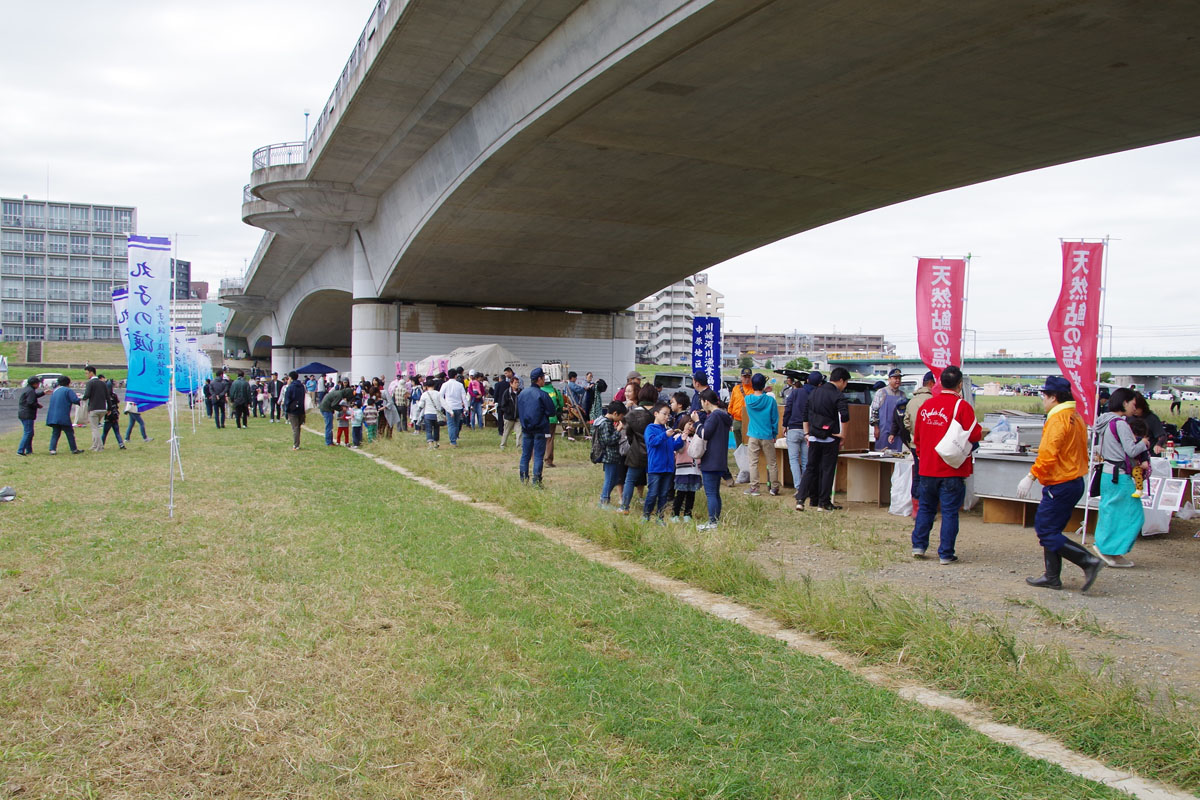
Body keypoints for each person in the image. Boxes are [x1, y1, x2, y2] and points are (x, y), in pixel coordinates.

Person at [1015, 376, 1103, 591]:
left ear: (1053, 397)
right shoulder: (1076, 417)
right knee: (1052, 530)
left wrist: (1031, 476)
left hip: (1060, 482)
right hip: (1073, 480)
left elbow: (1048, 453)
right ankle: (1052, 576)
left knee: (1046, 530)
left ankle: (1088, 561)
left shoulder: (1057, 419)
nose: (1043, 400)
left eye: (1044, 396)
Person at [910, 365, 982, 564]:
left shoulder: (927, 406)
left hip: (927, 467)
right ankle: (946, 553)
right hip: (952, 468)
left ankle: (919, 545)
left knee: (925, 508)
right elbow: (975, 434)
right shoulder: (962, 407)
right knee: (949, 512)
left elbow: (917, 437)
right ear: (960, 385)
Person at [1091, 388, 1150, 568]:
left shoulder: (1104, 422)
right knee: (1134, 515)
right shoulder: (1121, 424)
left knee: (1110, 512)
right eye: (1133, 404)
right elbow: (1131, 450)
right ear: (1125, 403)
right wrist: (1144, 443)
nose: (1135, 408)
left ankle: (1110, 550)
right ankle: (1109, 549)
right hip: (1120, 475)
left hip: (1107, 474)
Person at [796, 367, 852, 512]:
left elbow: (805, 415)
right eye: (845, 383)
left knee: (810, 468)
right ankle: (823, 503)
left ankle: (801, 499)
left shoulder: (814, 392)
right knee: (827, 470)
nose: (844, 386)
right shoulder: (838, 395)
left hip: (813, 436)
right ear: (840, 380)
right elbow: (845, 416)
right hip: (830, 438)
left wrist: (807, 433)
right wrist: (843, 435)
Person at [692, 389, 732, 531]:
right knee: (715, 492)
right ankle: (715, 521)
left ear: (706, 402)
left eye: (702, 402)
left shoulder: (714, 416)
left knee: (711, 494)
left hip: (711, 460)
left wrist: (697, 422)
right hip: (720, 460)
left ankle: (712, 522)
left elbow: (705, 434)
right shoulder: (724, 416)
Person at [643, 401, 688, 524]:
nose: (667, 417)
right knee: (652, 493)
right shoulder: (650, 428)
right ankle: (646, 516)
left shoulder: (667, 430)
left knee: (664, 495)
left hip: (668, 468)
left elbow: (672, 446)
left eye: (669, 415)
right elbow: (652, 442)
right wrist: (665, 435)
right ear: (656, 414)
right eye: (664, 414)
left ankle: (660, 517)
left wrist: (681, 440)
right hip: (655, 468)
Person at [903, 371, 937, 515]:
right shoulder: (933, 400)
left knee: (917, 475)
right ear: (931, 383)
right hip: (930, 446)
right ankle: (926, 508)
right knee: (929, 477)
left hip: (915, 444)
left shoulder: (911, 401)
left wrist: (914, 433)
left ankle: (915, 509)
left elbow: (906, 422)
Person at [619, 385, 657, 512]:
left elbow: (628, 433)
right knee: (654, 481)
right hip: (655, 451)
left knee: (629, 479)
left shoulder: (632, 414)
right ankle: (651, 508)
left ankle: (624, 507)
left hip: (636, 451)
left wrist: (635, 443)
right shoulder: (659, 412)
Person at [742, 373, 780, 496]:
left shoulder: (748, 399)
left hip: (753, 434)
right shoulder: (770, 400)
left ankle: (754, 488)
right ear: (764, 385)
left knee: (753, 462)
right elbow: (774, 419)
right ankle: (774, 488)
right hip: (768, 434)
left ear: (752, 385)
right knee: (772, 463)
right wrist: (774, 434)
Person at [517, 367, 557, 485]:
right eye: (543, 378)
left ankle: (523, 480)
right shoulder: (542, 394)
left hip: (526, 429)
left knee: (525, 455)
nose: (544, 380)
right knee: (538, 456)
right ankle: (536, 480)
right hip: (540, 429)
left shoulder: (522, 393)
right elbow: (552, 412)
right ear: (539, 379)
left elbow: (518, 410)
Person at [783, 371, 820, 491]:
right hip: (809, 430)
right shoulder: (817, 394)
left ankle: (798, 487)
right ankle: (806, 487)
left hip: (793, 428)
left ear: (807, 381)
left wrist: (785, 424)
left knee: (793, 460)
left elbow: (788, 408)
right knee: (806, 461)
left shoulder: (796, 392)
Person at [670, 394, 701, 522]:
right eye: (689, 424)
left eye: (693, 424)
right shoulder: (678, 437)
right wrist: (683, 436)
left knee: (691, 494)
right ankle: (675, 514)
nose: (691, 426)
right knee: (681, 493)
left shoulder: (696, 438)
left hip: (694, 470)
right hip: (682, 470)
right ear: (683, 424)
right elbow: (678, 449)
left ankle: (688, 514)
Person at [594, 401, 627, 508]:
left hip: (612, 456)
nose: (621, 419)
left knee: (614, 478)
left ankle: (605, 498)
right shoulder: (605, 423)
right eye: (621, 416)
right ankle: (604, 501)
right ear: (615, 413)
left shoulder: (606, 422)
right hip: (609, 456)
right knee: (610, 479)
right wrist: (618, 430)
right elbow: (607, 440)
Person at [871, 368, 907, 452]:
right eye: (895, 378)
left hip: (898, 433)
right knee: (882, 455)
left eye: (899, 378)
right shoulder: (881, 392)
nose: (898, 380)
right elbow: (874, 412)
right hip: (883, 431)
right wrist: (876, 428)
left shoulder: (903, 395)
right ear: (889, 379)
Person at [45, 376, 83, 454]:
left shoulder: (55, 391)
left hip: (53, 416)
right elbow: (75, 400)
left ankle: (52, 449)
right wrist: (80, 398)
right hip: (63, 416)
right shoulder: (68, 390)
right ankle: (74, 449)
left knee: (55, 432)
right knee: (69, 432)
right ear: (68, 383)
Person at [81, 366, 108, 452]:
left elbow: (87, 395)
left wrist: (81, 397)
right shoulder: (103, 383)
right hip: (103, 408)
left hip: (94, 408)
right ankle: (94, 445)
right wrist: (110, 408)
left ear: (91, 372)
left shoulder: (90, 383)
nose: (86, 375)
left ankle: (99, 446)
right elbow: (108, 396)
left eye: (86, 373)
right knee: (95, 427)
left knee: (94, 428)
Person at [17, 376, 45, 456]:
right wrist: (38, 405)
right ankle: (20, 450)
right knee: (28, 432)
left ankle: (29, 450)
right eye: (38, 383)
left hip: (23, 413)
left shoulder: (27, 389)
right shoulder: (30, 391)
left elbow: (33, 396)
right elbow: (30, 402)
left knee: (30, 432)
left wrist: (43, 393)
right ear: (35, 384)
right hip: (27, 414)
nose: (39, 385)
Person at [413, 378, 444, 449]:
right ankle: (436, 443)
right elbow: (443, 403)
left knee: (428, 430)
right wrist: (450, 411)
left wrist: (418, 410)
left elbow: (421, 406)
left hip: (428, 414)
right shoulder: (438, 393)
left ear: (426, 386)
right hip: (436, 415)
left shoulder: (424, 394)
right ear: (434, 385)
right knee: (436, 429)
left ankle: (430, 444)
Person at [727, 367, 753, 450]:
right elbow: (732, 402)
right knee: (738, 444)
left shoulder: (754, 389)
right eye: (745, 376)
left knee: (747, 443)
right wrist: (730, 414)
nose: (746, 379)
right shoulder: (736, 389)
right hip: (736, 420)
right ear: (741, 377)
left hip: (748, 420)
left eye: (748, 377)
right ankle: (740, 459)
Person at [439, 370, 468, 445]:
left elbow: (440, 396)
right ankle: (455, 437)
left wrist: (443, 405)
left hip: (449, 407)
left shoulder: (445, 384)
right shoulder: (460, 385)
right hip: (458, 407)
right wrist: (466, 407)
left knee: (451, 424)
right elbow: (464, 397)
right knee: (456, 423)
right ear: (456, 376)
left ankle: (453, 441)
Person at [541, 377, 564, 467]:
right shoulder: (555, 391)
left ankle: (537, 459)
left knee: (539, 438)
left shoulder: (539, 390)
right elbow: (561, 404)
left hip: (540, 419)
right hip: (552, 419)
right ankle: (548, 461)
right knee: (549, 439)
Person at [282, 371, 306, 449]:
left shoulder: (290, 387)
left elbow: (287, 400)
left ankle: (296, 445)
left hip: (293, 409)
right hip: (301, 409)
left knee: (295, 428)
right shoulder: (302, 386)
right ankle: (297, 443)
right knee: (298, 427)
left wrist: (286, 409)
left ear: (291, 378)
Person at [100, 380, 126, 450]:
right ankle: (121, 444)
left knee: (105, 433)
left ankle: (101, 444)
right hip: (115, 415)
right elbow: (117, 402)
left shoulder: (105, 396)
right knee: (117, 432)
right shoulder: (114, 395)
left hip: (108, 416)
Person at [498, 375, 521, 449]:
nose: (517, 384)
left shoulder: (520, 392)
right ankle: (503, 445)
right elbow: (503, 405)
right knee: (506, 432)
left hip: (518, 416)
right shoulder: (507, 393)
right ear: (511, 384)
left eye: (518, 383)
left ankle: (519, 446)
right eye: (515, 383)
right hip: (509, 417)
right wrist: (508, 411)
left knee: (519, 432)